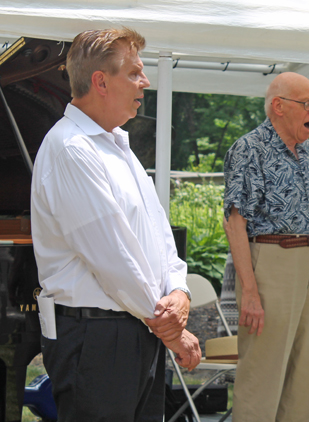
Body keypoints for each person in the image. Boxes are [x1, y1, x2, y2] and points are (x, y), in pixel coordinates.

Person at [31, 28, 201, 422]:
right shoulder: (73, 149)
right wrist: (170, 328)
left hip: (136, 329)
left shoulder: (116, 145)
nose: (145, 82)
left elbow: (158, 232)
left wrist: (179, 288)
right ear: (100, 82)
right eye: (134, 73)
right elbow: (113, 256)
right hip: (99, 339)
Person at [223, 72, 309, 422]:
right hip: (272, 261)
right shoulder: (249, 148)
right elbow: (235, 221)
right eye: (307, 103)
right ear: (279, 106)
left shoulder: (307, 149)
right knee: (263, 375)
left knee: (304, 376)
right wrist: (249, 292)